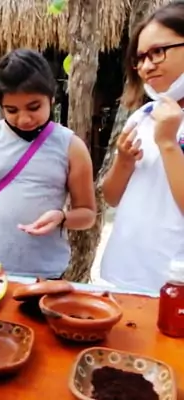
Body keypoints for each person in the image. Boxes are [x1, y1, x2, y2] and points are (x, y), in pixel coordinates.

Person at [0, 49, 96, 278]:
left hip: (45, 273)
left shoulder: (72, 147)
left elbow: (87, 215)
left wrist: (63, 218)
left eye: (34, 107)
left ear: (52, 98)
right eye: (12, 110)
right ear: (1, 105)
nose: (24, 119)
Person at [100, 1, 184, 292]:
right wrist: (124, 162)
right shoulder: (142, 117)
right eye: (140, 58)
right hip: (124, 272)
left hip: (174, 284)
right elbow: (110, 197)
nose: (147, 67)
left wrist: (168, 144)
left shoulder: (163, 128)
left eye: (158, 52)